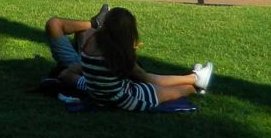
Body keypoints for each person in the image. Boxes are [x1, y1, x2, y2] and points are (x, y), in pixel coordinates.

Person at [79, 7, 213, 111]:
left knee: (153, 86)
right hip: (122, 98)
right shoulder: (117, 53)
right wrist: (130, 51)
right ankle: (195, 79)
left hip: (97, 96)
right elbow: (146, 77)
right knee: (183, 89)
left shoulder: (88, 38)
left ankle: (195, 78)